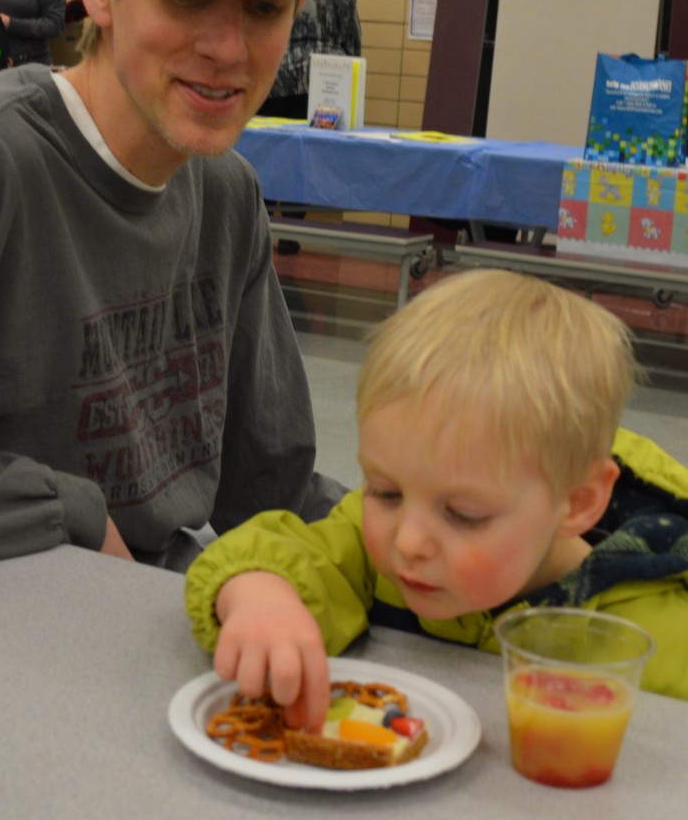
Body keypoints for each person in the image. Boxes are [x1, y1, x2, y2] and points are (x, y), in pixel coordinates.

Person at [0, 0, 345, 573]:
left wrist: (442, 539)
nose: (227, 49)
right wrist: (60, 511)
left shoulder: (225, 195)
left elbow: (272, 489)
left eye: (264, 7)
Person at [186, 268, 688, 729]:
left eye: (464, 515)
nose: (409, 540)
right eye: (385, 491)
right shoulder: (368, 547)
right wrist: (260, 595)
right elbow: (279, 551)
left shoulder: (663, 634)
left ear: (577, 503)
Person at [260, 0, 362, 253]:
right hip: (326, 84)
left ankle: (260, 226)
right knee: (305, 160)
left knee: (267, 152)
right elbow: (352, 35)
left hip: (279, 79)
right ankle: (293, 229)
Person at [258, 0, 362, 121]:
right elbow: (352, 41)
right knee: (323, 142)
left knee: (272, 141)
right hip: (330, 82)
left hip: (280, 79)